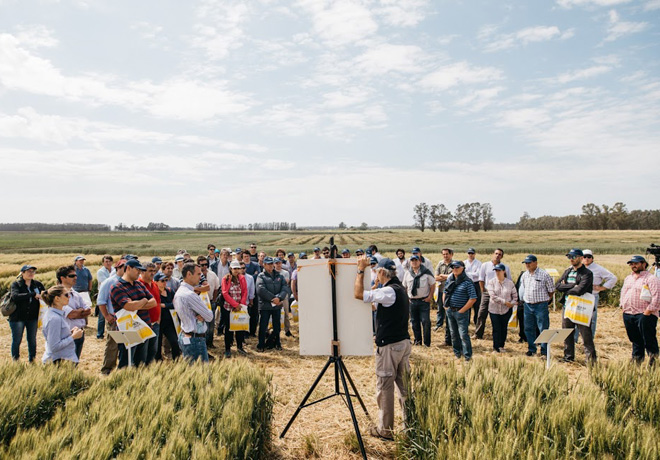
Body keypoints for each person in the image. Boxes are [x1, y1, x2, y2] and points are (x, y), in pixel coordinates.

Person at [354, 257, 410, 441]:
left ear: (383, 273)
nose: (375, 273)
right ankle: (410, 426)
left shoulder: (388, 292)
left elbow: (359, 294)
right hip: (403, 343)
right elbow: (374, 305)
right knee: (404, 387)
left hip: (389, 346)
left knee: (385, 386)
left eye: (377, 271)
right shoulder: (398, 289)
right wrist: (377, 284)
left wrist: (360, 270)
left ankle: (385, 431)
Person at [110, 259, 157, 367]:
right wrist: (144, 300)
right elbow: (129, 306)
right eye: (137, 270)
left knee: (140, 362)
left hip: (143, 329)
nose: (139, 273)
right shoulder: (117, 287)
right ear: (128, 268)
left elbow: (154, 302)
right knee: (126, 363)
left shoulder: (139, 284)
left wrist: (137, 305)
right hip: (127, 330)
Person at [555, 249, 596, 363]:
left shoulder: (587, 273)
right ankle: (568, 358)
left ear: (581, 258)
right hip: (568, 306)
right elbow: (558, 286)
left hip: (582, 308)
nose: (571, 259)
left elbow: (580, 290)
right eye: (569, 257)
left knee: (585, 335)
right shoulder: (568, 271)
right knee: (567, 333)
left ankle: (591, 361)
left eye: (574, 256)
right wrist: (573, 285)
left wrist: (566, 287)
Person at [620, 255, 659, 364]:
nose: (633, 266)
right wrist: (622, 305)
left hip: (644, 314)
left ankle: (654, 363)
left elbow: (657, 296)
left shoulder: (651, 279)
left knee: (648, 339)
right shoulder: (628, 278)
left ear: (644, 264)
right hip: (628, 313)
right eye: (631, 264)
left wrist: (648, 311)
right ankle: (637, 360)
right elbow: (623, 292)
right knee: (635, 340)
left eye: (636, 263)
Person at [174, 263, 215, 362]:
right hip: (195, 339)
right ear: (189, 274)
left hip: (185, 334)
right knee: (202, 374)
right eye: (198, 274)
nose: (200, 277)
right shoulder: (190, 295)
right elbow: (209, 316)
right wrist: (203, 314)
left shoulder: (179, 291)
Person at [575, 249, 617, 342]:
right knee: (576, 317)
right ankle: (574, 339)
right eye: (584, 257)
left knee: (591, 319)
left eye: (589, 257)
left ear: (592, 258)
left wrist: (602, 288)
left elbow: (613, 278)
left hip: (592, 296)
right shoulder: (576, 267)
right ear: (581, 258)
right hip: (578, 296)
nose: (586, 259)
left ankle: (589, 339)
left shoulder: (598, 269)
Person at [518, 255, 555, 357]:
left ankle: (544, 351)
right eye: (526, 263)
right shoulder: (525, 275)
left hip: (540, 305)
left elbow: (551, 290)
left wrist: (545, 301)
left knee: (543, 328)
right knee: (528, 328)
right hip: (528, 305)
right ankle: (531, 349)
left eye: (529, 262)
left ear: (536, 263)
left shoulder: (544, 275)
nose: (527, 265)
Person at [9, 265, 45, 362]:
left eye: (33, 271)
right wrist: (33, 294)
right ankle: (15, 361)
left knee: (32, 340)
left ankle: (32, 360)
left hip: (33, 317)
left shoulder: (37, 284)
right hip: (18, 317)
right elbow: (15, 296)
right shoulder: (16, 284)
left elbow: (45, 294)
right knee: (17, 340)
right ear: (22, 273)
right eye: (28, 271)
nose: (31, 273)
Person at [443, 260, 478, 361]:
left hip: (461, 312)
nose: (455, 269)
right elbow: (445, 291)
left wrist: (462, 310)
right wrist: (446, 306)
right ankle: (457, 354)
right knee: (453, 334)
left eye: (457, 267)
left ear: (463, 268)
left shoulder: (467, 282)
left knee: (463, 334)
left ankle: (467, 356)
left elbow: (473, 298)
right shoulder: (450, 280)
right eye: (453, 267)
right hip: (450, 311)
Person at [41, 286, 83, 364]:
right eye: (66, 295)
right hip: (59, 361)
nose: (69, 297)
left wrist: (70, 333)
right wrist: (73, 337)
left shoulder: (55, 315)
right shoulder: (54, 318)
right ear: (57, 299)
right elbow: (54, 346)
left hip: (62, 360)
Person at [56, 265, 92, 358]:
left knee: (75, 362)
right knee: (66, 363)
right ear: (62, 278)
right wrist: (80, 311)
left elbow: (88, 311)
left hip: (79, 333)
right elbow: (71, 314)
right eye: (71, 276)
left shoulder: (76, 294)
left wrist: (78, 312)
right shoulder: (57, 295)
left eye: (75, 275)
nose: (75, 278)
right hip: (66, 335)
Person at [97, 259, 126, 374]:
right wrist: (107, 316)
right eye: (124, 267)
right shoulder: (109, 282)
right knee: (112, 344)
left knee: (125, 343)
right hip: (114, 318)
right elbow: (101, 301)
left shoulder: (129, 282)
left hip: (127, 318)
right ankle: (107, 368)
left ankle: (123, 366)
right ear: (117, 269)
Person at [475, 249, 511, 340]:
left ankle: (498, 335)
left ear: (502, 256)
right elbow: (481, 279)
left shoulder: (506, 267)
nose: (497, 255)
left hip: (500, 294)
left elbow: (509, 281)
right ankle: (478, 334)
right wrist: (483, 291)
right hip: (487, 293)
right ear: (493, 254)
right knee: (482, 313)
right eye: (496, 254)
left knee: (498, 315)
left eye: (499, 254)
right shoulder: (485, 265)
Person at [256, 257, 288, 352]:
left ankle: (277, 343)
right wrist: (273, 298)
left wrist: (279, 298)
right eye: (268, 264)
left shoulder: (279, 275)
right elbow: (260, 289)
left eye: (271, 264)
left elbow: (285, 287)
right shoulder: (261, 276)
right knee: (263, 326)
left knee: (277, 326)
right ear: (264, 265)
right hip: (265, 306)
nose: (270, 266)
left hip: (276, 306)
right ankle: (261, 344)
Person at [402, 254, 435, 347]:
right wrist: (406, 298)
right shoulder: (407, 273)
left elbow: (432, 284)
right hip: (412, 301)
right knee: (414, 322)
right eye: (412, 261)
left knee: (425, 322)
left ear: (420, 261)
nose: (414, 262)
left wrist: (430, 297)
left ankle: (427, 343)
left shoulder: (426, 272)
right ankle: (417, 341)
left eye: (416, 260)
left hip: (423, 301)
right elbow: (404, 286)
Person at [487, 264, 518, 353]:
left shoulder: (510, 283)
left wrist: (511, 304)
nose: (497, 272)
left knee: (504, 328)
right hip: (494, 309)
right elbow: (492, 296)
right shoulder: (491, 282)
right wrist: (505, 302)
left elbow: (515, 296)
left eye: (499, 270)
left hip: (506, 310)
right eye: (496, 271)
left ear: (504, 271)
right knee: (496, 328)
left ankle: (501, 346)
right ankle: (495, 347)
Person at [221, 260, 249, 357]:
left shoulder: (242, 278)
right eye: (234, 268)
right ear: (231, 269)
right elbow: (225, 293)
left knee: (240, 328)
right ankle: (227, 349)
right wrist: (234, 305)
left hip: (239, 308)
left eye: (238, 268)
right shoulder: (225, 279)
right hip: (228, 308)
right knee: (228, 329)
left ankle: (240, 347)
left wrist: (240, 304)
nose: (236, 270)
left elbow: (245, 291)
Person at [154, 271, 181, 361]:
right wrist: (167, 305)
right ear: (156, 282)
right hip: (158, 322)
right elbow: (154, 305)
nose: (165, 282)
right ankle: (158, 362)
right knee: (157, 345)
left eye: (166, 280)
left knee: (175, 342)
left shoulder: (170, 291)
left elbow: (176, 304)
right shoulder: (154, 293)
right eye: (162, 281)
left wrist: (163, 305)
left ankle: (176, 360)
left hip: (169, 322)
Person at [139, 263, 161, 364]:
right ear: (142, 272)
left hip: (155, 323)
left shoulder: (155, 285)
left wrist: (158, 317)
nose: (153, 273)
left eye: (154, 271)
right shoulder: (138, 285)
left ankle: (149, 370)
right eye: (150, 271)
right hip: (143, 323)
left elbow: (158, 301)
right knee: (142, 352)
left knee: (153, 350)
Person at [197, 255, 220, 349]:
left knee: (211, 324)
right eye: (202, 265)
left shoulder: (212, 274)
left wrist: (214, 300)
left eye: (206, 264)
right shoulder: (195, 276)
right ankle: (203, 344)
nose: (204, 266)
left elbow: (216, 288)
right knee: (201, 325)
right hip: (199, 303)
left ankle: (210, 343)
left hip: (210, 302)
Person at [434, 248, 454, 346]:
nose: (445, 256)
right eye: (444, 254)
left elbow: (454, 276)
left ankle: (449, 331)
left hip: (451, 292)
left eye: (447, 254)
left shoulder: (455, 264)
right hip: (441, 290)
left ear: (451, 255)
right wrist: (447, 276)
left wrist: (443, 276)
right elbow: (436, 277)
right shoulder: (440, 263)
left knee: (449, 311)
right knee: (440, 308)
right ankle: (439, 324)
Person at [96, 254, 115, 339]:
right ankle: (100, 334)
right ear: (103, 263)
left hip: (112, 295)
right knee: (102, 315)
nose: (108, 263)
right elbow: (105, 282)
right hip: (103, 294)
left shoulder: (114, 270)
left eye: (109, 261)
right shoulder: (100, 272)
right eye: (106, 261)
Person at [275, 257, 294, 337]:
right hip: (275, 296)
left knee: (286, 313)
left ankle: (287, 330)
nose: (278, 265)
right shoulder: (272, 272)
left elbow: (286, 283)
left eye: (279, 263)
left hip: (284, 295)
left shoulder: (285, 272)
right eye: (276, 263)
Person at [464, 248, 482, 324]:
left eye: (472, 253)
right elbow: (463, 273)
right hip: (467, 284)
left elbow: (478, 274)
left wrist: (468, 274)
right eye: (469, 253)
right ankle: (467, 321)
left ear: (474, 254)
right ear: (467, 254)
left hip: (476, 284)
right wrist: (472, 274)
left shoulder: (479, 263)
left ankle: (476, 321)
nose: (470, 255)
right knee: (467, 303)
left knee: (477, 304)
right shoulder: (464, 263)